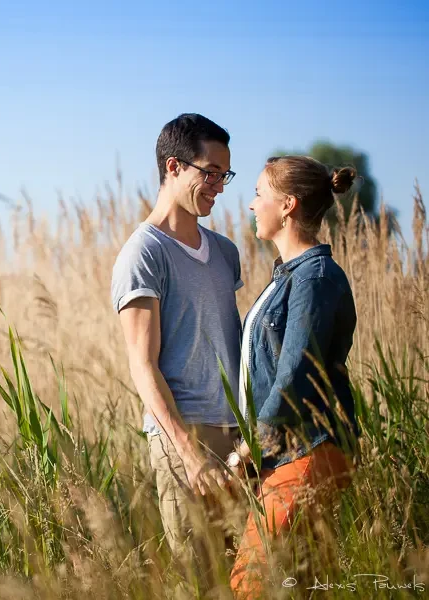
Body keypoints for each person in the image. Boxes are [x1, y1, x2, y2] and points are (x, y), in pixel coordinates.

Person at [111, 113, 245, 569]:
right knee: (202, 581)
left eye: (224, 175)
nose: (220, 186)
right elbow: (142, 366)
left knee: (250, 579)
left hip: (240, 442)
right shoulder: (143, 254)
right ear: (173, 167)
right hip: (185, 440)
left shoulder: (226, 252)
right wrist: (188, 455)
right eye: (210, 173)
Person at [228, 156, 360, 597]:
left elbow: (297, 371)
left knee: (252, 581)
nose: (250, 205)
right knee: (300, 583)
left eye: (259, 195)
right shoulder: (287, 278)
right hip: (285, 453)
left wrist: (251, 443)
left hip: (309, 449)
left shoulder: (315, 279)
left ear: (287, 205)